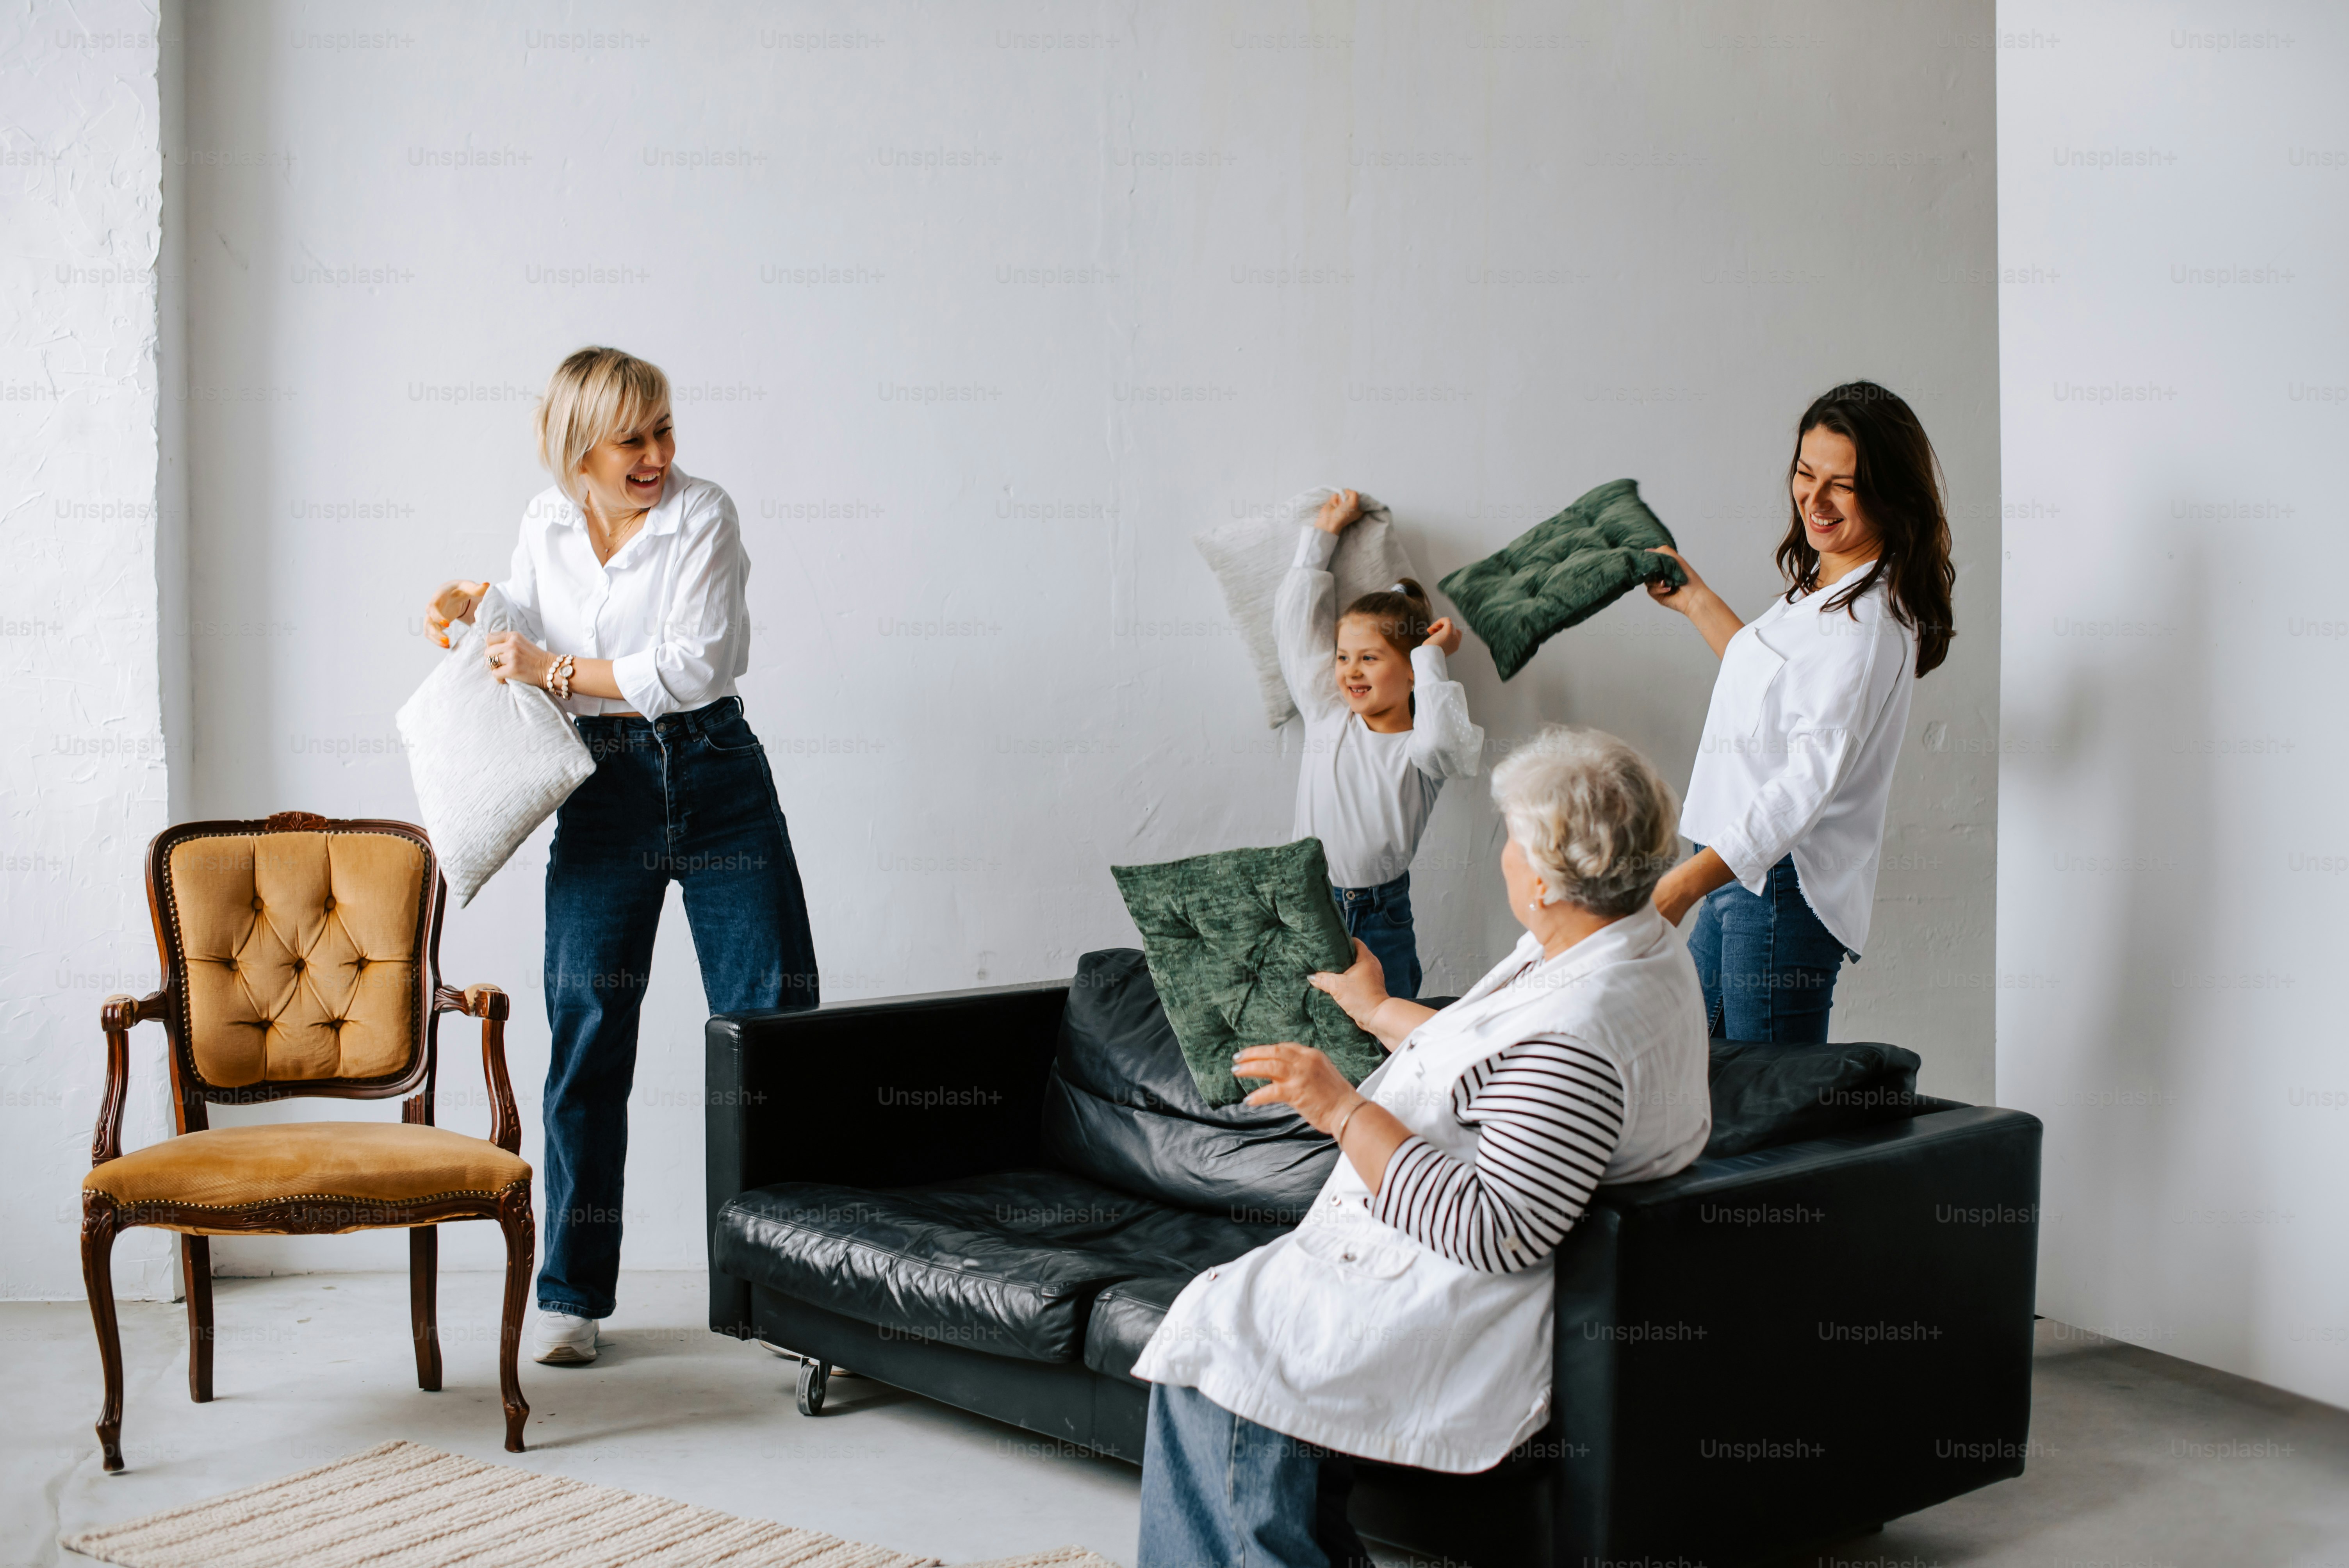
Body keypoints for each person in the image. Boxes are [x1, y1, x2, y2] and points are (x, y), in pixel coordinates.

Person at [1132, 726, 1711, 1568]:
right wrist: (1376, 1012)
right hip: (1413, 1267)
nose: (1505, 854)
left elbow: (1496, 1228)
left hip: (1456, 1295)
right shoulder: (1615, 941)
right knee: (1224, 1335)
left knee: (1218, 1366)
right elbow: (1497, 1058)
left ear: (1545, 879)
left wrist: (1339, 1110)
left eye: (1513, 838)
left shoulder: (1585, 1028)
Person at [422, 346, 819, 1365]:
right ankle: (572, 1294)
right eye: (632, 438)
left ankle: (783, 1292)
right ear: (579, 448)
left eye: (664, 430)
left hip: (718, 778)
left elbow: (689, 667)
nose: (657, 453)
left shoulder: (705, 515)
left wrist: (550, 665)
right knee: (589, 1041)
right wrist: (477, 610)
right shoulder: (546, 522)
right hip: (600, 792)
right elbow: (523, 621)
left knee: (768, 1031)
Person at [1645, 381, 1955, 1044]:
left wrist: (1680, 888)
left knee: (1769, 1117)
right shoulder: (1823, 587)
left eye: (1842, 485)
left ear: (1891, 493)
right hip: (1738, 870)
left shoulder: (1867, 626)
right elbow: (1768, 683)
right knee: (1702, 1088)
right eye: (1805, 473)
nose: (1814, 500)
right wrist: (1696, 601)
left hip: (1778, 883)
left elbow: (1805, 785)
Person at [1274, 488, 1485, 1000]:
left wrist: (1434, 658)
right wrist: (1321, 537)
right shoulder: (1330, 715)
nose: (1350, 671)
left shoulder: (1423, 749)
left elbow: (1451, 743)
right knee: (1310, 1029)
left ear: (1412, 670)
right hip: (1306, 901)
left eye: (1369, 658)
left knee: (1387, 1039)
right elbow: (1295, 630)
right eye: (1345, 658)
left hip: (1380, 914)